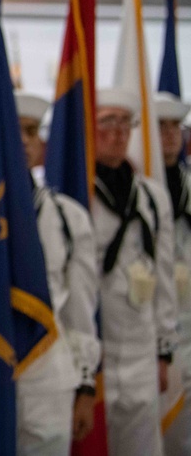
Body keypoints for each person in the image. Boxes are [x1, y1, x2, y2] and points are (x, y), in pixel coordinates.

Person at [13, 92, 100, 454]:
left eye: (31, 132)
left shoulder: (67, 216)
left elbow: (80, 309)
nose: (22, 141)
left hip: (50, 373)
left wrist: (84, 385)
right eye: (13, 130)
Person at [92, 88, 177, 456]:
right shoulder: (75, 192)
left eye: (125, 122)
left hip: (142, 350)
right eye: (107, 122)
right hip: (99, 353)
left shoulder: (151, 196)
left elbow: (165, 275)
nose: (117, 132)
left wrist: (164, 350)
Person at [155, 92, 191, 456]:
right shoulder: (135, 193)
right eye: (159, 126)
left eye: (175, 127)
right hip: (153, 341)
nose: (169, 134)